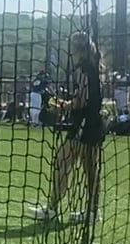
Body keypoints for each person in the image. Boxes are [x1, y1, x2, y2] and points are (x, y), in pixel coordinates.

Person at [44, 31, 105, 225]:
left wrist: (62, 106)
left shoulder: (84, 68)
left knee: (63, 162)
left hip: (84, 124)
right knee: (90, 169)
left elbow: (82, 101)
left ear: (77, 48)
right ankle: (92, 212)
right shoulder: (94, 67)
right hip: (94, 123)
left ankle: (52, 209)